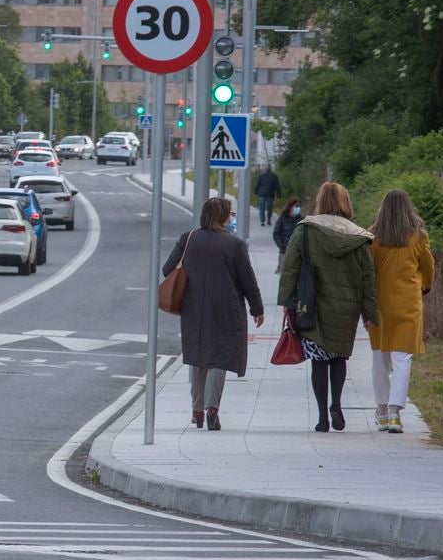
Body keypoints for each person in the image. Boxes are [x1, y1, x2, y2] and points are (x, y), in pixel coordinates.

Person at [278, 182, 379, 433]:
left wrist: (286, 301)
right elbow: (368, 277)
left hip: (313, 305)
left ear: (321, 200)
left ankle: (323, 416)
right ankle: (337, 403)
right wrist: (369, 313)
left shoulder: (306, 230)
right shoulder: (359, 236)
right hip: (347, 308)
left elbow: (290, 267)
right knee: (339, 357)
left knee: (319, 361)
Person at [162, 197, 265, 432]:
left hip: (193, 307)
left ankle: (196, 410)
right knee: (219, 357)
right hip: (226, 309)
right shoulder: (234, 244)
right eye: (230, 214)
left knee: (197, 356)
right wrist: (257, 309)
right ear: (222, 216)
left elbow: (168, 269)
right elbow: (248, 280)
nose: (232, 218)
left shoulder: (188, 238)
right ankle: (212, 410)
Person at [369, 189, 434, 434]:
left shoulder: (373, 236)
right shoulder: (418, 236)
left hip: (380, 304)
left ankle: (382, 410)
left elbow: (369, 271)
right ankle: (396, 413)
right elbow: (427, 266)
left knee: (380, 359)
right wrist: (425, 286)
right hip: (408, 304)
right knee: (402, 359)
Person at [272, 197, 303, 273]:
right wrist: (282, 246)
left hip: (297, 253)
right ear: (290, 207)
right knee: (284, 275)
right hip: (284, 252)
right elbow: (276, 233)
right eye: (296, 206)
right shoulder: (283, 218)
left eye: (299, 206)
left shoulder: (302, 220)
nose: (298, 208)